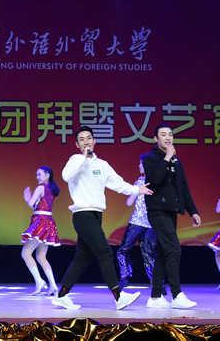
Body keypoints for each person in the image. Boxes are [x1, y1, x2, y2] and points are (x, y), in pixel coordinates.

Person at [51, 126, 151, 311]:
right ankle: (118, 296)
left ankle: (62, 295)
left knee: (82, 258)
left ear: (94, 141)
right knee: (105, 252)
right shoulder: (75, 160)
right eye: (82, 139)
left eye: (89, 138)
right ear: (77, 144)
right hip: (83, 215)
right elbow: (66, 176)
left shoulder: (102, 165)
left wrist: (137, 190)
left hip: (96, 215)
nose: (86, 142)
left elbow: (118, 184)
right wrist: (83, 157)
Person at [142, 123, 201, 310]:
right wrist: (167, 158)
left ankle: (155, 297)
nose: (168, 138)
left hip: (171, 211)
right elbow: (154, 180)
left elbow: (183, 188)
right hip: (157, 211)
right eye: (163, 135)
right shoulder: (150, 158)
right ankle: (176, 295)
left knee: (163, 252)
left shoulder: (177, 162)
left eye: (170, 134)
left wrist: (193, 211)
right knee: (174, 250)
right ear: (156, 138)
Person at [116, 156, 157, 289]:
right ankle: (158, 284)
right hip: (151, 224)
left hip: (137, 222)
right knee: (149, 255)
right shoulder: (158, 181)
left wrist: (135, 191)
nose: (139, 165)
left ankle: (125, 277)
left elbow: (129, 202)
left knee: (123, 250)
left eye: (141, 163)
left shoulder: (140, 181)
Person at [20, 166, 61, 296]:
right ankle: (53, 285)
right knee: (41, 256)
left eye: (40, 174)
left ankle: (39, 281)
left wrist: (27, 198)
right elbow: (40, 206)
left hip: (40, 222)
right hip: (48, 222)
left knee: (26, 253)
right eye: (37, 175)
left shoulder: (40, 188)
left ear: (47, 175)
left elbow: (31, 203)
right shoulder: (51, 189)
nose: (37, 177)